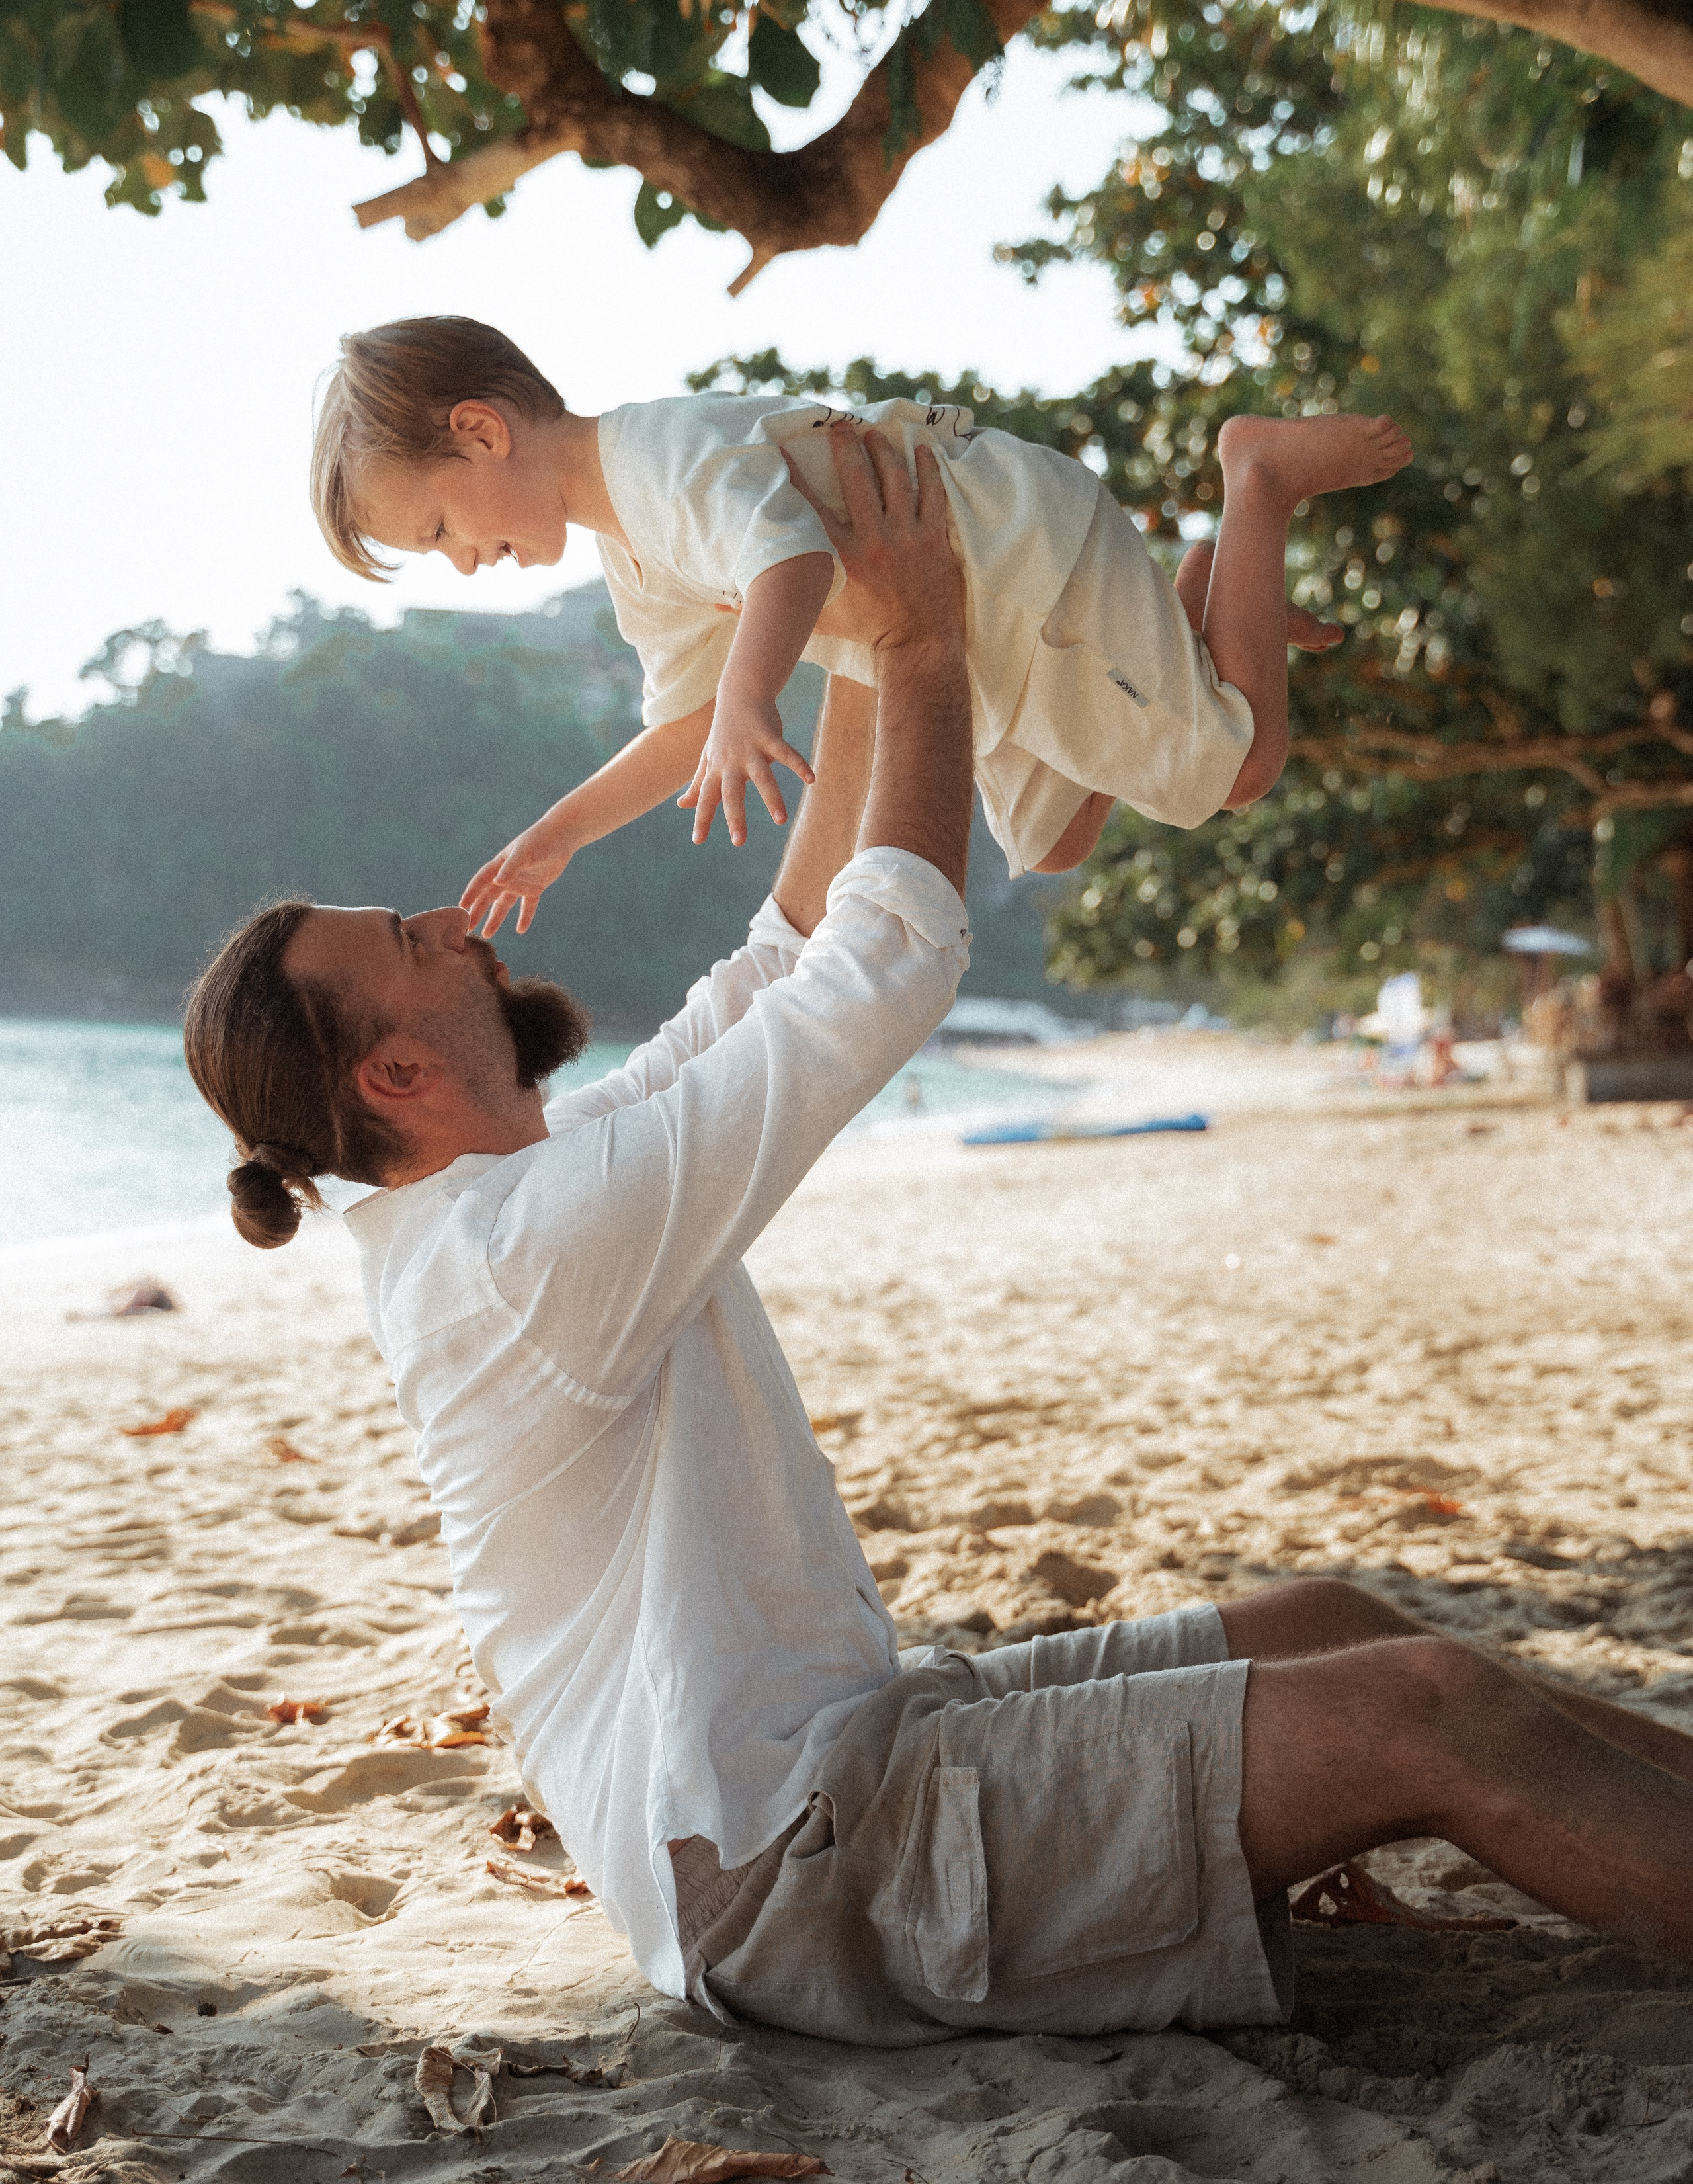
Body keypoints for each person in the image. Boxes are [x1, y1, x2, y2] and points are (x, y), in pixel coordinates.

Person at [190, 430, 1693, 2046]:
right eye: (414, 942)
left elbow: (777, 963)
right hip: (795, 1869)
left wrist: (852, 643)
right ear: (393, 1077)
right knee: (1428, 1712)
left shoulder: (516, 1190)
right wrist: (918, 642)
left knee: (1342, 1624)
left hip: (856, 1759)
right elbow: (879, 968)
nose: (457, 924)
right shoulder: (517, 1251)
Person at [307, 316, 1409, 937]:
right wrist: (563, 832)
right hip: (980, 627)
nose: (461, 561)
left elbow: (785, 556)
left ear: (481, 430)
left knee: (1239, 766)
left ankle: (1258, 477)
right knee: (1054, 842)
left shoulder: (656, 458)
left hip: (1019, 566)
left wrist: (750, 700)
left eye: (439, 527)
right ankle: (1202, 604)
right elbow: (688, 719)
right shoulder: (629, 550)